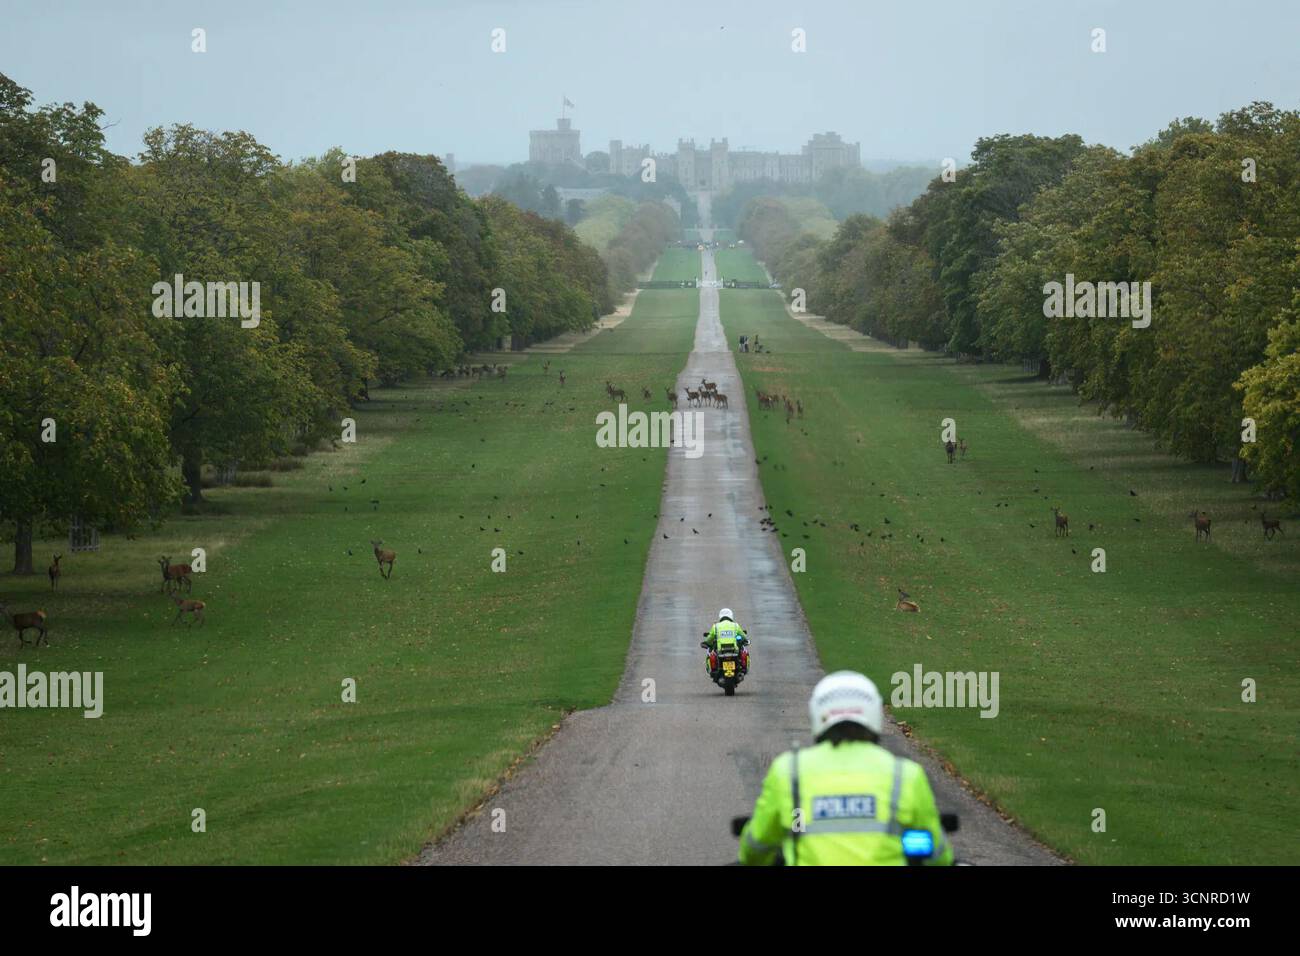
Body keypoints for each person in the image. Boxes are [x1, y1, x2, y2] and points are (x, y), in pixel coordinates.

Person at [738, 671, 954, 866]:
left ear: (818, 715)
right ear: (873, 714)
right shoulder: (905, 774)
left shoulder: (788, 771)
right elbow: (937, 853)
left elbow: (757, 845)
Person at [702, 608, 748, 674]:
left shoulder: (716, 626)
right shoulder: (735, 625)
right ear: (731, 616)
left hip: (720, 651)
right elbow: (743, 636)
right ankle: (743, 667)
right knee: (743, 650)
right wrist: (745, 640)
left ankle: (713, 668)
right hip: (734, 651)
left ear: (720, 616)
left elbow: (710, 637)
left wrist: (706, 643)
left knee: (711, 653)